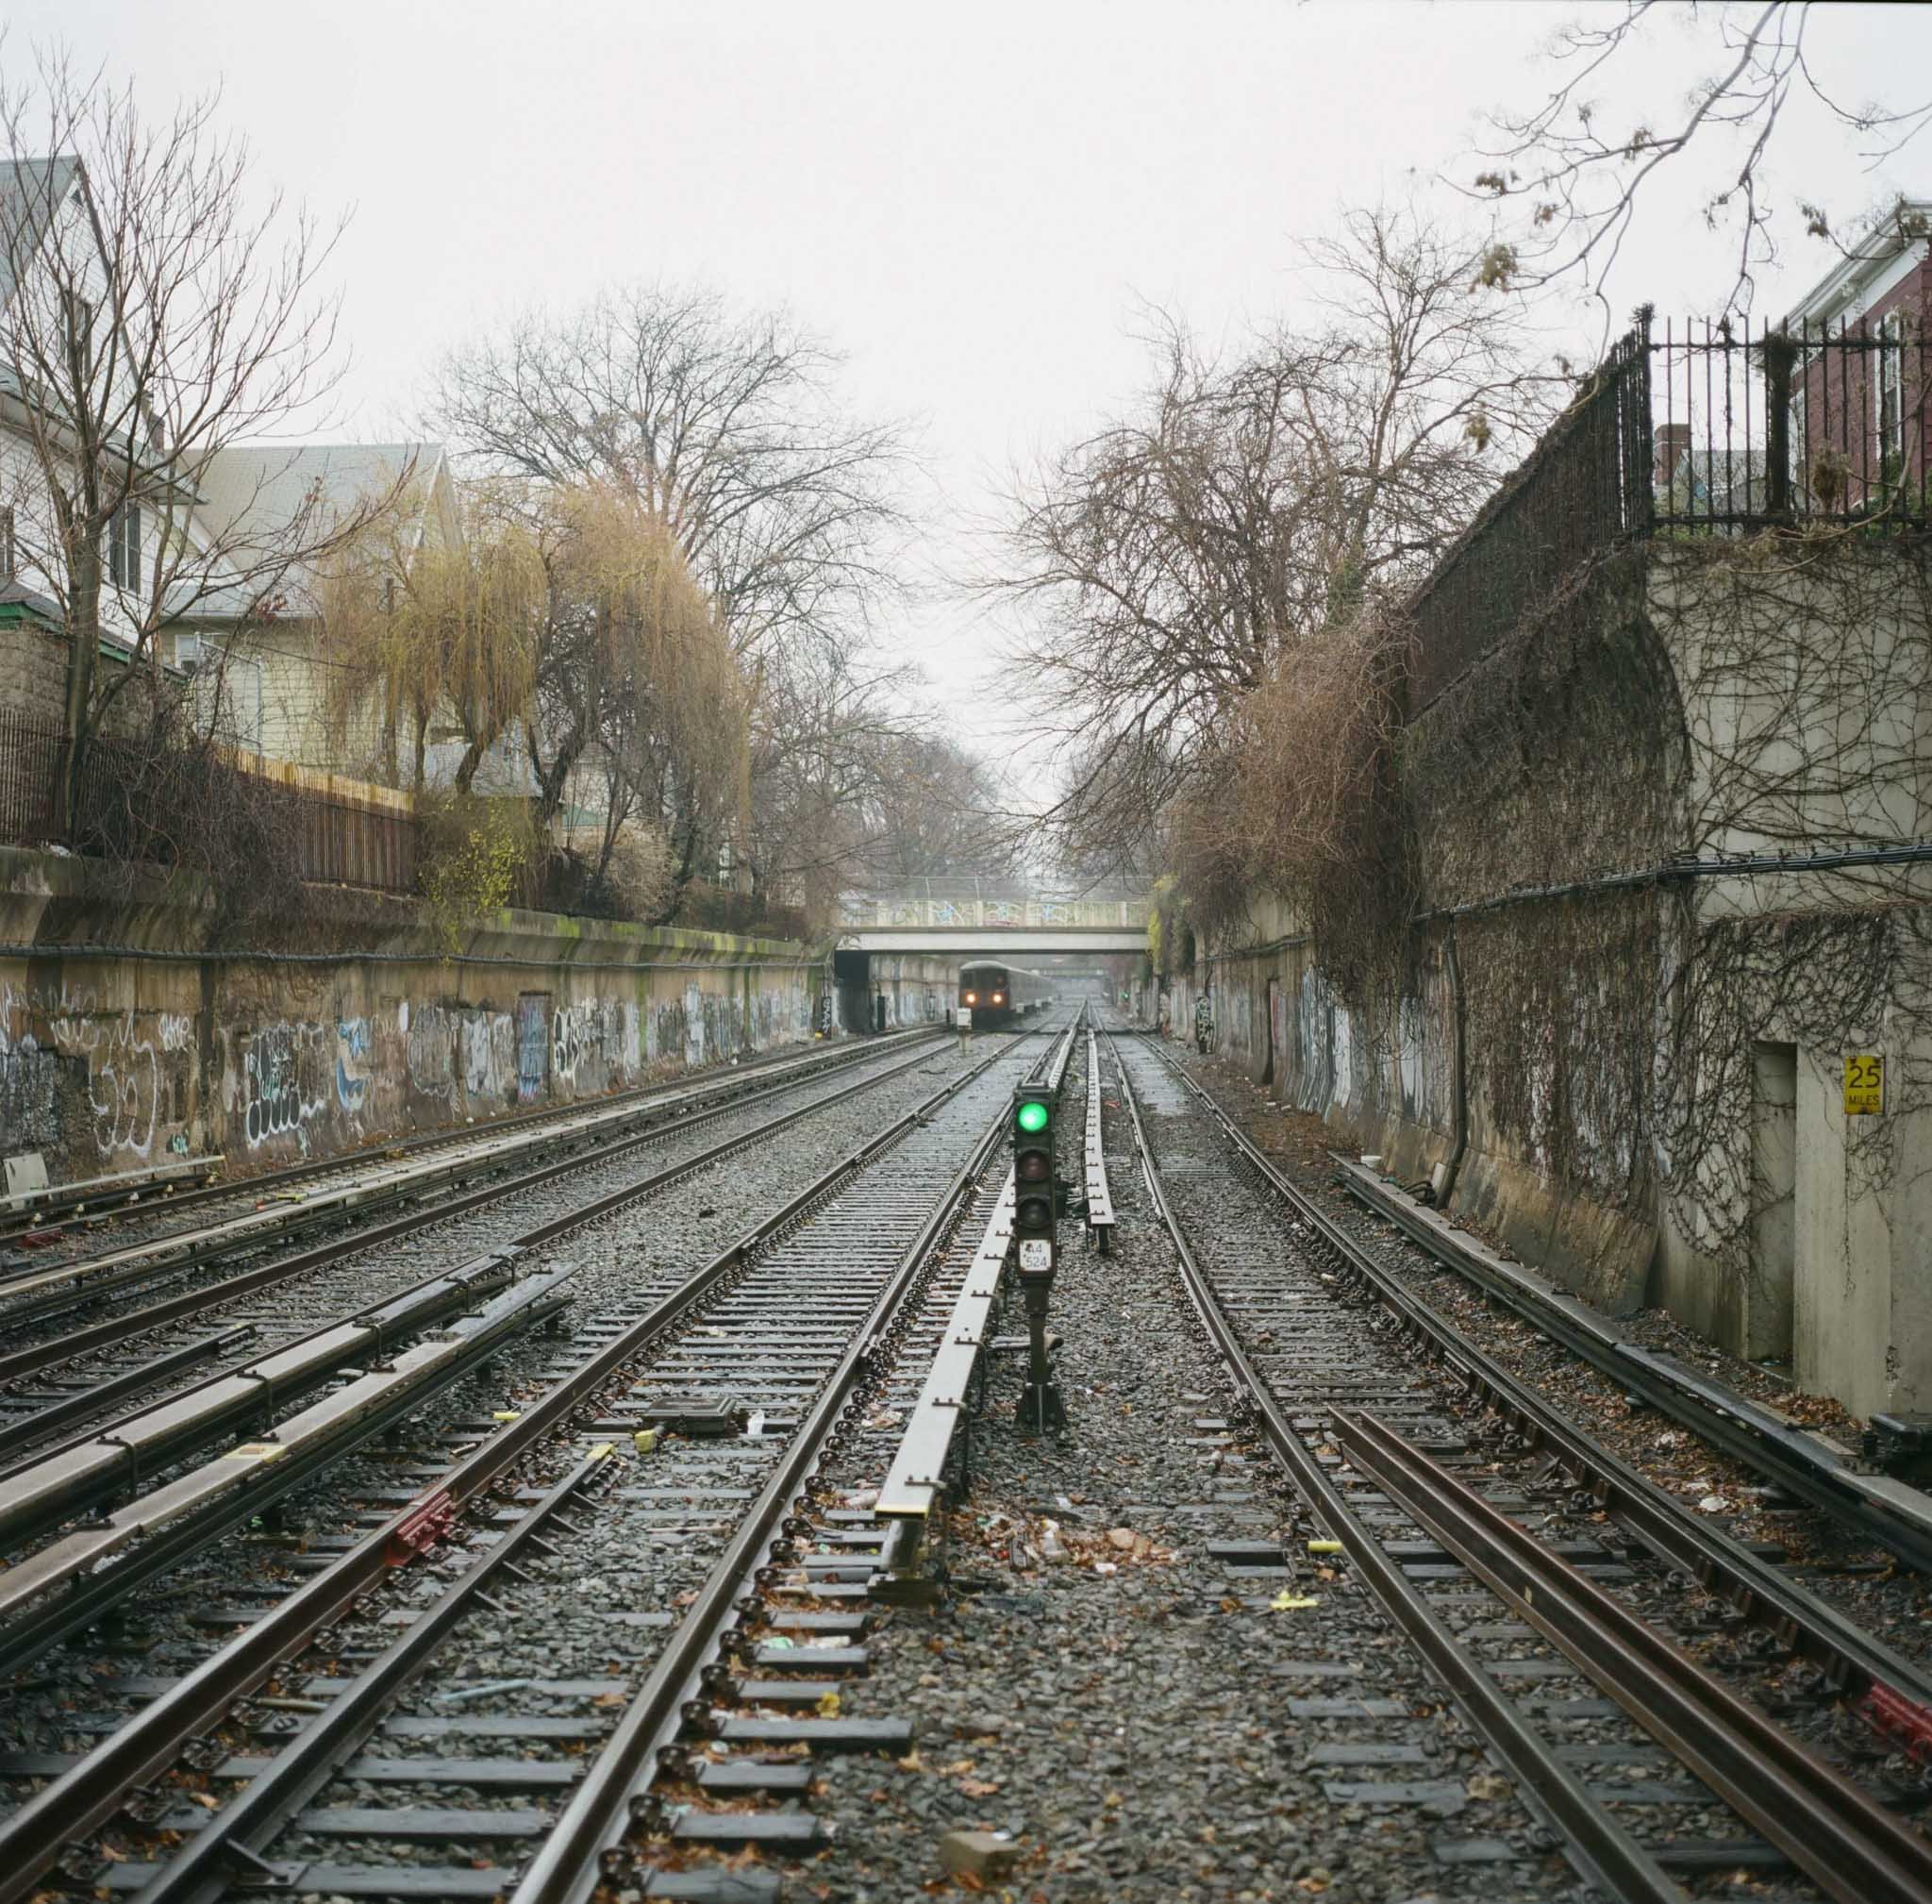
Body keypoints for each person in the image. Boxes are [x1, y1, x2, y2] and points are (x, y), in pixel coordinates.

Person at [1194, 989, 1214, 1056]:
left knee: (1202, 1037)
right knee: (1203, 1037)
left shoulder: (1201, 1003)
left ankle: (1202, 1051)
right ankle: (1203, 1050)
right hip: (1202, 1024)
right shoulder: (1204, 1003)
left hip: (1202, 1024)